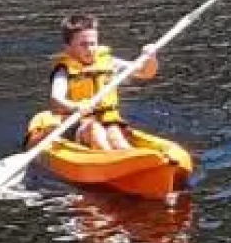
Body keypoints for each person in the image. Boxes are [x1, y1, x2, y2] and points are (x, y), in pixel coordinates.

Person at [50, 13, 158, 150]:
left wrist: (151, 58)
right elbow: (56, 99)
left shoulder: (109, 62)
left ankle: (128, 157)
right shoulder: (64, 70)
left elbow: (145, 73)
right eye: (83, 45)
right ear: (68, 48)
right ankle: (111, 159)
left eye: (92, 44)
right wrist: (75, 106)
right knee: (94, 129)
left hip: (106, 121)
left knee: (115, 133)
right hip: (77, 126)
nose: (90, 49)